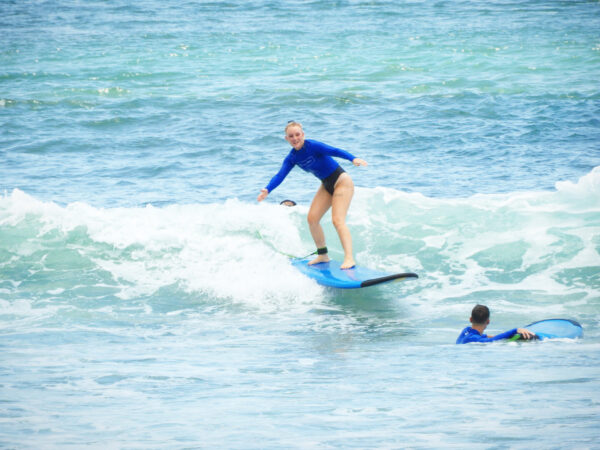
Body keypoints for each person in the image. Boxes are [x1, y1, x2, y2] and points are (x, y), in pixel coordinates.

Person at [257, 121, 367, 269]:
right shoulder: (292, 158)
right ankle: (322, 255)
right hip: (326, 184)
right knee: (312, 219)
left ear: (303, 135)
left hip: (341, 181)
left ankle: (349, 258)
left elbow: (334, 150)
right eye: (291, 136)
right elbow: (280, 175)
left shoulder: (313, 146)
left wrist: (352, 158)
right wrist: (267, 189)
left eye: (297, 134)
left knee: (337, 220)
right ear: (287, 139)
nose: (295, 138)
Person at [456, 304, 536, 344]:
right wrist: (515, 330)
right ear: (488, 322)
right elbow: (490, 340)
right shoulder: (476, 340)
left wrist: (505, 337)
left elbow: (484, 336)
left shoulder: (466, 331)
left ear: (470, 319)